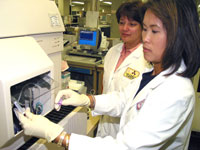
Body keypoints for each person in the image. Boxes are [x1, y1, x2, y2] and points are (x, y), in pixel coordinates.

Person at [18, 0, 200, 149]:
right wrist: (86, 99)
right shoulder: (152, 71)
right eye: (145, 29)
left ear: (178, 35)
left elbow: (125, 147)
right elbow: (123, 100)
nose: (145, 38)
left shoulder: (175, 92)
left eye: (154, 31)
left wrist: (56, 134)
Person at [97, 1, 150, 138]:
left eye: (132, 24)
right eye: (121, 23)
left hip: (126, 131)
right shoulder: (112, 52)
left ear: (143, 27)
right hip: (104, 124)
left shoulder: (147, 61)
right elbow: (106, 88)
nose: (125, 28)